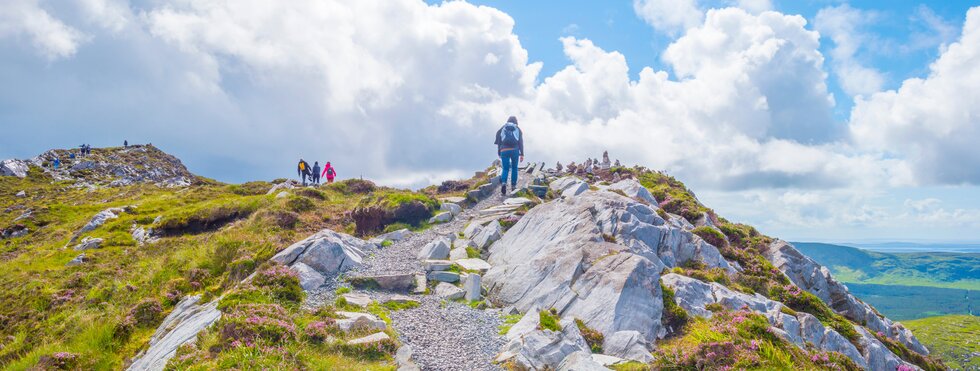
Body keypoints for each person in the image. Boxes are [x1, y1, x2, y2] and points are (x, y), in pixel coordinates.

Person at [494, 116, 524, 195]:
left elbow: (499, 141)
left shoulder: (503, 128)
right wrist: (522, 154)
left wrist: (499, 152)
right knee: (514, 167)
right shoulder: (517, 129)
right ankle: (513, 186)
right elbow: (520, 142)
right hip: (515, 150)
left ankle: (504, 183)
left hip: (504, 150)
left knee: (505, 168)